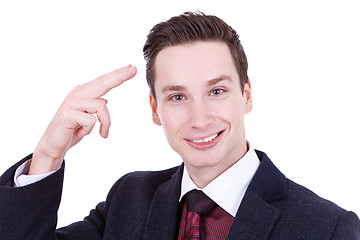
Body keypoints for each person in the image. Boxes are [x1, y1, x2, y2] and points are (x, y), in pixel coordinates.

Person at [0, 11, 359, 240]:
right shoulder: (129, 200)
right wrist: (48, 155)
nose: (200, 119)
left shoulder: (330, 229)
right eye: (177, 97)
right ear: (155, 109)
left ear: (246, 96)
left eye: (216, 91)